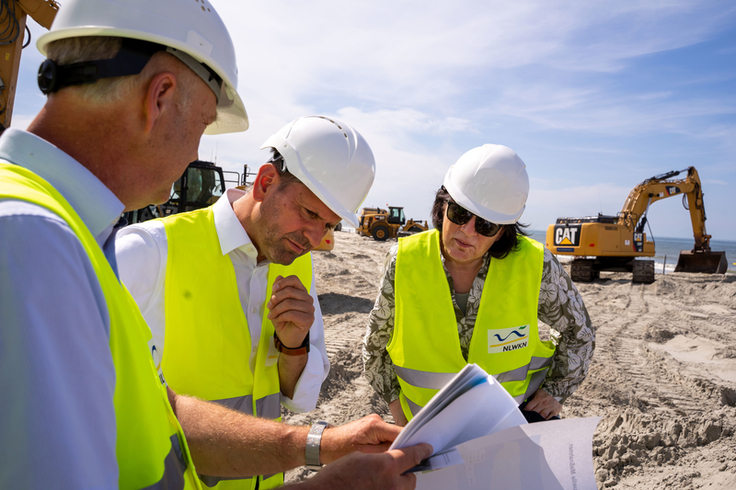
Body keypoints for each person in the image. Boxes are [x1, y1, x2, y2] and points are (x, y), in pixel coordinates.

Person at [0, 1, 431, 489]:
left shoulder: (63, 236)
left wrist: (316, 444)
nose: (195, 154)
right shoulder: (31, 240)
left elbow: (160, 411)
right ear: (159, 97)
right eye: (203, 124)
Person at [115, 115, 374, 489]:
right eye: (309, 213)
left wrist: (294, 346)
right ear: (266, 183)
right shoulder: (149, 251)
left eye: (330, 226)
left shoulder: (298, 263)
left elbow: (299, 400)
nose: (316, 237)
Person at [363, 144, 595, 426]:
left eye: (485, 225)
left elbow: (579, 332)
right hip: (426, 432)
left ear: (501, 233)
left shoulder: (536, 265)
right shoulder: (404, 261)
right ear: (442, 205)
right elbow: (375, 349)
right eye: (460, 213)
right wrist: (401, 418)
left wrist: (555, 392)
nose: (467, 231)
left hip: (508, 427)